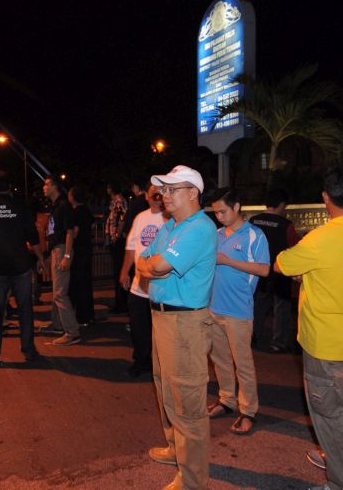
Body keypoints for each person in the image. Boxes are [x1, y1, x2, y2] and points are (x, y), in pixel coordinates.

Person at [275, 165, 343, 490]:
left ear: (325, 197)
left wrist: (303, 272)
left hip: (327, 343)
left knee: (332, 416)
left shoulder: (321, 239)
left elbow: (281, 263)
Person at [137, 165, 217, 490]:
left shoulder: (199, 228)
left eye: (172, 189)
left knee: (188, 401)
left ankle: (194, 479)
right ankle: (176, 449)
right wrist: (150, 265)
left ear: (193, 192)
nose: (164, 195)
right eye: (163, 190)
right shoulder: (172, 225)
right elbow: (146, 261)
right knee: (165, 389)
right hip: (162, 317)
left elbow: (157, 265)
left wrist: (152, 265)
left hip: (185, 322)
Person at [207, 189, 269, 436]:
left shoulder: (254, 235)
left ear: (237, 207)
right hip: (214, 307)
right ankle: (226, 400)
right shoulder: (217, 234)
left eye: (223, 211)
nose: (219, 216)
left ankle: (249, 410)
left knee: (242, 363)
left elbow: (264, 270)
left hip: (239, 310)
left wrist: (227, 260)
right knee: (220, 360)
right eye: (216, 212)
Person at [0, 172, 45, 366]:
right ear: (9, 186)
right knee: (25, 310)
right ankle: (29, 351)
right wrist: (40, 258)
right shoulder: (21, 207)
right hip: (20, 266)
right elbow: (32, 236)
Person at [119, 183, 167, 377]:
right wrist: (124, 272)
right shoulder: (140, 218)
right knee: (139, 328)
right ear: (146, 196)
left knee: (161, 330)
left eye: (160, 190)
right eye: (152, 190)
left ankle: (161, 365)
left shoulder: (170, 219)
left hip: (161, 286)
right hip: (139, 285)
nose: (156, 193)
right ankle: (141, 361)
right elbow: (131, 247)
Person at [249, 188, 299, 353]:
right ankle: (278, 342)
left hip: (257, 272)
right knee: (281, 308)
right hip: (279, 273)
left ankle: (253, 337)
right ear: (282, 205)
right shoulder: (286, 225)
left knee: (258, 305)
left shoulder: (253, 221)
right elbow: (294, 248)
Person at [40, 176, 81, 345]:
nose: (44, 187)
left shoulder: (63, 206)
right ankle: (57, 325)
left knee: (60, 293)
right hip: (57, 249)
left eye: (47, 184)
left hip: (62, 249)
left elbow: (70, 232)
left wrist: (67, 255)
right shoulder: (56, 205)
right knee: (57, 291)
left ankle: (72, 332)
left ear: (55, 187)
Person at [68, 185, 95, 326]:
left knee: (78, 284)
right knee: (85, 284)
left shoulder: (76, 212)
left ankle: (81, 316)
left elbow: (75, 232)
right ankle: (88, 315)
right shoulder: (86, 211)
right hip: (86, 249)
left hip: (78, 251)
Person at [105, 180, 128, 313]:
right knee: (117, 269)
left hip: (117, 240)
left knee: (118, 270)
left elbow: (122, 218)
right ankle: (119, 302)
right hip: (115, 238)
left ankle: (121, 303)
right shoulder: (116, 200)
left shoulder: (118, 200)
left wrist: (117, 235)